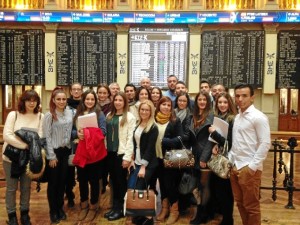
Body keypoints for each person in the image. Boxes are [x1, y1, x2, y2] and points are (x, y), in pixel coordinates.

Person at [228, 83, 271, 225]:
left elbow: (265, 144)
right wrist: (230, 161)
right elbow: (237, 143)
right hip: (235, 167)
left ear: (252, 97)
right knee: (240, 204)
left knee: (251, 207)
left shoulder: (258, 117)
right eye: (237, 96)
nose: (240, 99)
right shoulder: (237, 117)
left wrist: (251, 168)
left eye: (244, 96)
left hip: (249, 168)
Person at [3, 90, 43, 225]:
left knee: (26, 187)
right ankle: (12, 216)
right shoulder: (13, 115)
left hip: (29, 159)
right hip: (11, 158)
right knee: (11, 187)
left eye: (34, 100)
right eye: (28, 100)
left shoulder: (41, 117)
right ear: (23, 101)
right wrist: (26, 146)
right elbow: (7, 136)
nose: (32, 103)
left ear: (37, 102)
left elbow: (40, 137)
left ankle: (25, 215)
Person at [72, 89, 107, 222]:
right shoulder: (78, 113)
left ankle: (93, 206)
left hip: (95, 153)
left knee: (94, 180)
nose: (90, 101)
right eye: (87, 99)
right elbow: (73, 131)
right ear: (83, 100)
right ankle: (84, 204)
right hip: (81, 152)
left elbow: (103, 132)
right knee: (82, 180)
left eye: (92, 99)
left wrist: (87, 134)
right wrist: (77, 135)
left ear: (95, 100)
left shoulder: (100, 114)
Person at [43, 87, 74, 224]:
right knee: (54, 183)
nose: (61, 101)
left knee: (63, 181)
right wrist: (51, 156)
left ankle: (60, 208)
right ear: (54, 101)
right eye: (59, 99)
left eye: (64, 99)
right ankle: (53, 210)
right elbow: (46, 137)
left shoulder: (69, 112)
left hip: (66, 151)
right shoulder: (49, 115)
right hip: (54, 152)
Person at [104, 92, 136, 221]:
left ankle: (121, 209)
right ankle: (115, 207)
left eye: (120, 100)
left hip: (121, 154)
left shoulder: (129, 117)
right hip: (110, 153)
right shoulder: (109, 115)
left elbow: (130, 138)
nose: (117, 102)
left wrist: (127, 157)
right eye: (116, 100)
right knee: (113, 181)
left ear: (124, 102)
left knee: (121, 182)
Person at [127, 100, 159, 225]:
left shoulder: (153, 127)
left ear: (151, 112)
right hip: (137, 161)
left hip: (148, 164)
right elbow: (136, 144)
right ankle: (139, 215)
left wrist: (143, 167)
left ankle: (148, 218)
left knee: (140, 189)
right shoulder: (138, 123)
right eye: (142, 109)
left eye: (147, 110)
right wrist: (132, 159)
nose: (144, 112)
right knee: (132, 187)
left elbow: (150, 149)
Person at [208, 92, 237, 225]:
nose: (222, 105)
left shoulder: (232, 119)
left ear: (229, 103)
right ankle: (223, 216)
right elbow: (221, 141)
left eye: (225, 102)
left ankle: (228, 219)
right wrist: (215, 144)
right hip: (219, 157)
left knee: (225, 191)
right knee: (217, 190)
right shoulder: (219, 117)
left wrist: (214, 133)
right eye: (220, 102)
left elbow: (229, 143)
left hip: (228, 159)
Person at [154, 96, 183, 225]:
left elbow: (180, 139)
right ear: (159, 105)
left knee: (170, 185)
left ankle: (174, 211)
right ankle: (164, 209)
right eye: (163, 104)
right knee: (162, 185)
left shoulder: (175, 121)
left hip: (170, 157)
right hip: (157, 158)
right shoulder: (154, 119)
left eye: (168, 105)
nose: (166, 107)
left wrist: (164, 141)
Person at [189, 91, 215, 224]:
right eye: (200, 99)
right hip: (193, 155)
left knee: (204, 186)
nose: (202, 102)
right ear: (196, 101)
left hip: (205, 155)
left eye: (205, 100)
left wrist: (204, 158)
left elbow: (211, 140)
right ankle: (201, 212)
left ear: (208, 101)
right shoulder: (192, 115)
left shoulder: (211, 115)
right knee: (196, 186)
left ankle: (202, 214)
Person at [65, 82, 83, 208]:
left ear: (82, 91)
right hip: (70, 142)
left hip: (83, 142)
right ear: (71, 91)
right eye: (74, 89)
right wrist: (75, 133)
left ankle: (84, 198)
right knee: (69, 171)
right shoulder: (65, 107)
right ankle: (70, 195)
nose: (76, 92)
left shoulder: (85, 105)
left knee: (82, 171)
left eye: (78, 89)